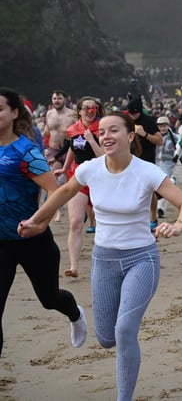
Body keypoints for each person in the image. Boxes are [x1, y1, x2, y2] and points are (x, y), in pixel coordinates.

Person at [19, 111, 182, 401]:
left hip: (142, 258)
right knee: (106, 338)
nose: (106, 136)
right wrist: (39, 219)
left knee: (125, 330)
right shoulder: (90, 168)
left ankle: (123, 397)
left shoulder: (147, 171)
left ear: (130, 136)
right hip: (104, 259)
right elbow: (63, 192)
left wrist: (178, 225)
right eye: (102, 132)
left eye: (114, 130)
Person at [0, 88, 87, 357]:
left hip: (32, 241)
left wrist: (40, 223)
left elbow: (55, 191)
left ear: (14, 113)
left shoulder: (25, 152)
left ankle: (75, 313)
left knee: (50, 299)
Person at [58, 96, 105, 277]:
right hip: (79, 177)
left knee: (104, 222)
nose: (90, 111)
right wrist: (63, 167)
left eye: (93, 108)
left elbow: (104, 157)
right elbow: (72, 148)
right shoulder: (73, 130)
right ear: (79, 111)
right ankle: (74, 266)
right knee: (76, 222)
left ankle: (106, 260)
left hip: (101, 177)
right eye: (86, 108)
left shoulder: (103, 128)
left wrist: (91, 139)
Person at [127, 96, 163, 231]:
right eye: (130, 113)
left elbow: (160, 140)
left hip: (147, 159)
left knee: (149, 190)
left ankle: (153, 218)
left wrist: (144, 134)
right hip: (130, 159)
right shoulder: (127, 121)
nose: (133, 116)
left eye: (135, 113)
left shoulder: (148, 121)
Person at [42, 90, 77, 221]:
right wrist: (45, 133)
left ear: (65, 99)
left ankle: (77, 207)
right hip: (53, 150)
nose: (57, 101)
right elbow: (47, 130)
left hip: (69, 150)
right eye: (54, 98)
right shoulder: (49, 113)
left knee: (72, 182)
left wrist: (69, 131)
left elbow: (80, 130)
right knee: (53, 181)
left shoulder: (72, 114)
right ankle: (59, 211)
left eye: (59, 98)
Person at [155, 116, 181, 217]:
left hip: (168, 164)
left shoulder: (173, 137)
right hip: (157, 163)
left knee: (164, 184)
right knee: (158, 185)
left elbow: (180, 145)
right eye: (160, 126)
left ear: (168, 126)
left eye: (165, 125)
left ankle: (160, 208)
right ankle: (158, 208)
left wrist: (177, 155)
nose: (162, 128)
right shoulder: (155, 136)